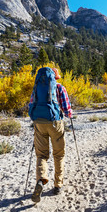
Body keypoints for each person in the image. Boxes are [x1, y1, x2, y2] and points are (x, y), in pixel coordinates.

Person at [28, 67, 72, 203]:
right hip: (55, 123)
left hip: (39, 123)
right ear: (55, 78)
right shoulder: (59, 88)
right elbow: (66, 107)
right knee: (59, 154)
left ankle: (41, 180)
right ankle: (58, 185)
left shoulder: (36, 88)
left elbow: (31, 104)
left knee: (41, 155)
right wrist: (70, 115)